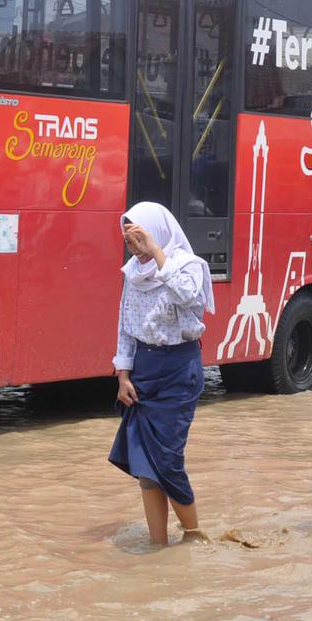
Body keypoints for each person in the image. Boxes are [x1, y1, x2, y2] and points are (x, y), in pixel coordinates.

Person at [108, 202, 217, 547]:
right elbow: (126, 326)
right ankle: (158, 545)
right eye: (129, 239)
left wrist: (156, 252)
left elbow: (188, 296)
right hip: (143, 373)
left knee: (167, 460)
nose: (134, 246)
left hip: (178, 372)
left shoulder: (189, 266)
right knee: (145, 466)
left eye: (139, 236)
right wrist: (123, 375)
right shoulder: (132, 273)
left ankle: (194, 535)